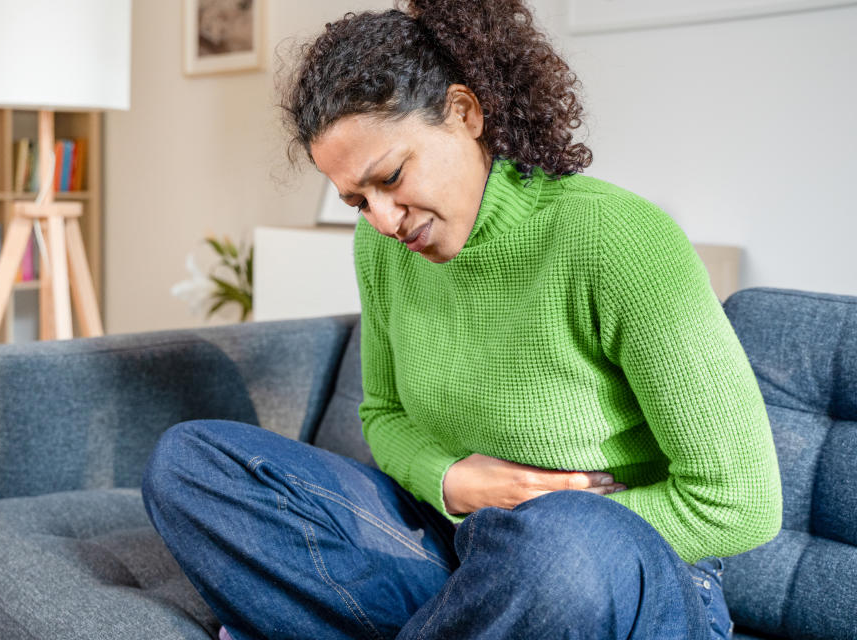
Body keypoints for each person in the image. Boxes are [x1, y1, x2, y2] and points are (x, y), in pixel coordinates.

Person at [142, 1, 783, 638]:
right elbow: (382, 416)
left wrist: (531, 529)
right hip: (451, 544)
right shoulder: (381, 247)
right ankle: (469, 620)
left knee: (558, 547)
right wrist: (452, 482)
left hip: (617, 576)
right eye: (358, 201)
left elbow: (741, 504)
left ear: (465, 112)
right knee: (190, 463)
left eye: (391, 177)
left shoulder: (615, 239)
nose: (385, 220)